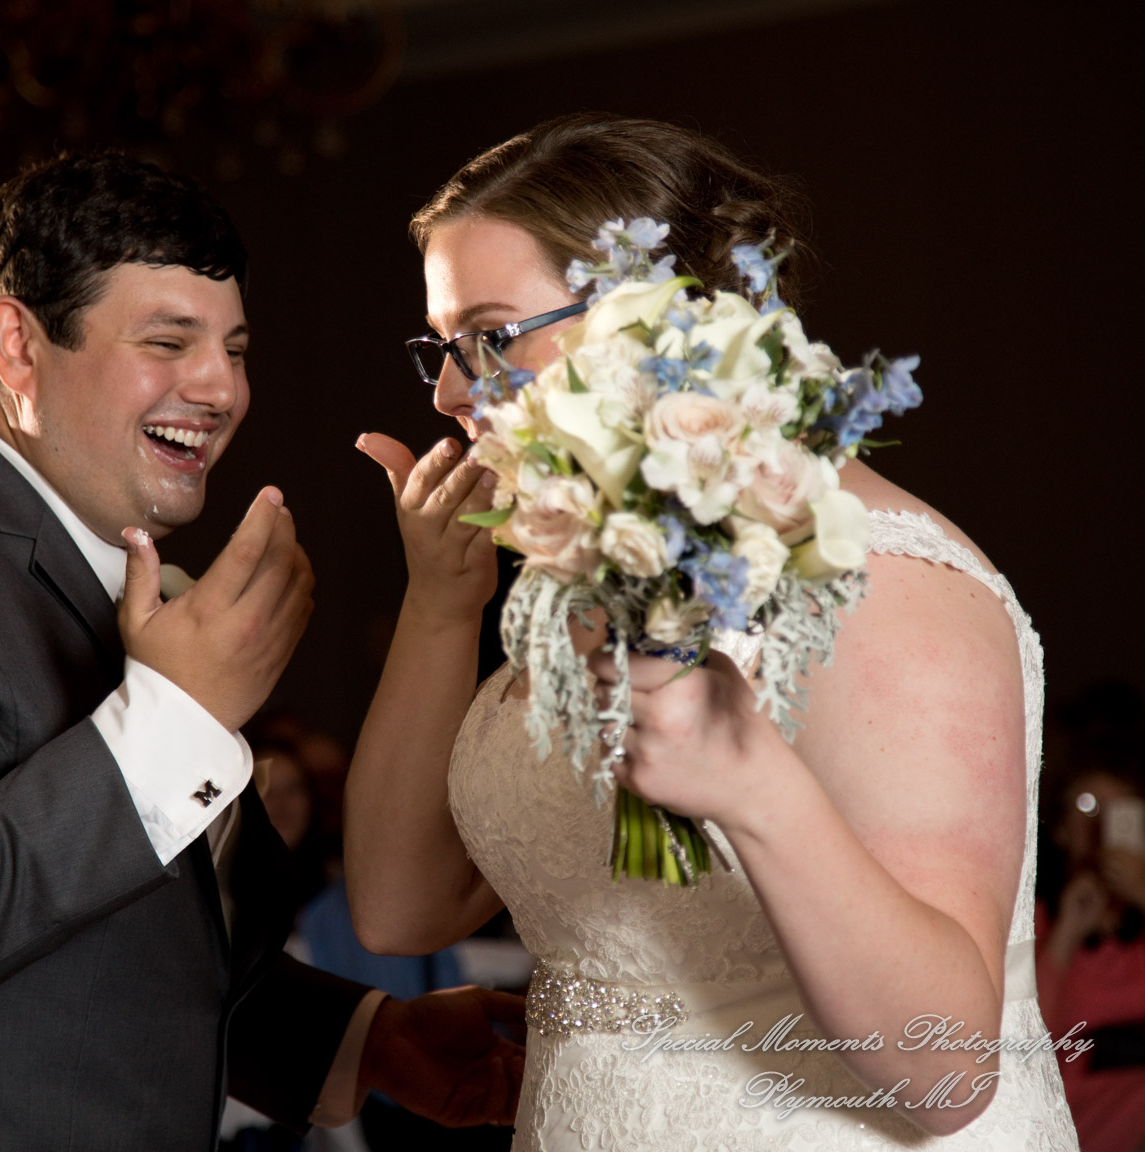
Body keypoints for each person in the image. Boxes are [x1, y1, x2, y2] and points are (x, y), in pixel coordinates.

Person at [0, 151, 525, 1152]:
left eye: (235, 349)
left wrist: (368, 1043)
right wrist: (176, 721)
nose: (221, 389)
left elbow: (114, 962)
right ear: (19, 347)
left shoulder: (114, 586)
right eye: (168, 342)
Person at [344, 113, 1079, 1148]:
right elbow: (400, 911)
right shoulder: (593, 579)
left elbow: (946, 1067)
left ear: (659, 318)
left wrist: (749, 784)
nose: (451, 391)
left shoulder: (880, 574)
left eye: (491, 337)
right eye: (443, 346)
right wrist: (438, 605)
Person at [1036, 685, 1145, 1151]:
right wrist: (1064, 938)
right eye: (1086, 807)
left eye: (1119, 810)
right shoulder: (1031, 926)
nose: (1100, 826)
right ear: (1061, 826)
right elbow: (1016, 1050)